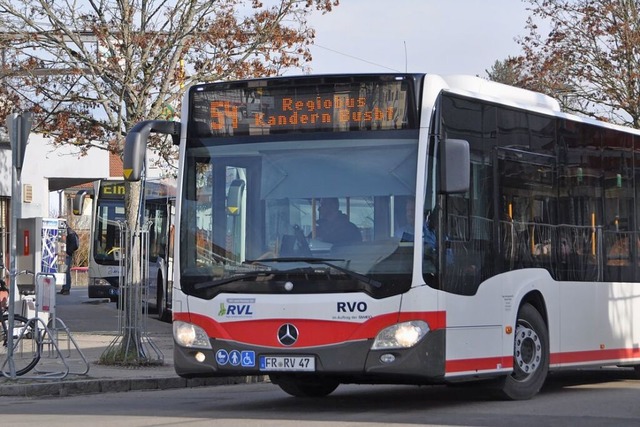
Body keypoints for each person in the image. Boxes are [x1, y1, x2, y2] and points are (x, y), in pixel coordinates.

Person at [60, 225, 79, 295]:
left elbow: (74, 244)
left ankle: (66, 289)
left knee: (66, 271)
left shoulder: (69, 231)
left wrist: (68, 252)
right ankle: (64, 287)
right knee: (64, 271)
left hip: (67, 255)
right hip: (65, 254)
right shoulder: (69, 231)